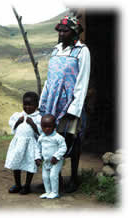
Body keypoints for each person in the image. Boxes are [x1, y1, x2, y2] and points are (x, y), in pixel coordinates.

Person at [39, 16, 90, 192]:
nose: (61, 33)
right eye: (59, 30)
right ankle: (57, 177)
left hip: (70, 104)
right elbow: (49, 80)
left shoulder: (82, 51)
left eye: (65, 30)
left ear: (74, 32)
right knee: (53, 141)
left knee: (72, 140)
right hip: (52, 104)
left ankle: (74, 178)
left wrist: (74, 108)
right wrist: (43, 102)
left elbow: (82, 81)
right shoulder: (55, 51)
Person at [4, 91, 41, 194]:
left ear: (36, 105)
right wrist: (18, 122)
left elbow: (40, 133)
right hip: (18, 144)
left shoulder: (38, 118)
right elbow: (13, 128)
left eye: (30, 105)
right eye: (25, 104)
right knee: (16, 163)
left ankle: (27, 186)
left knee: (30, 163)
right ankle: (17, 184)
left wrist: (33, 124)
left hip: (30, 145)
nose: (27, 107)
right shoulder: (18, 115)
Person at [35, 114, 67, 199]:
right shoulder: (41, 137)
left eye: (49, 126)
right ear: (41, 126)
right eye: (44, 126)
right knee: (45, 176)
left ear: (54, 126)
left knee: (53, 176)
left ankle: (55, 192)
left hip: (56, 161)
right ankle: (48, 191)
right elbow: (37, 148)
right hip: (46, 161)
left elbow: (63, 148)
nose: (47, 129)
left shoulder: (58, 137)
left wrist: (56, 156)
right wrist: (37, 157)